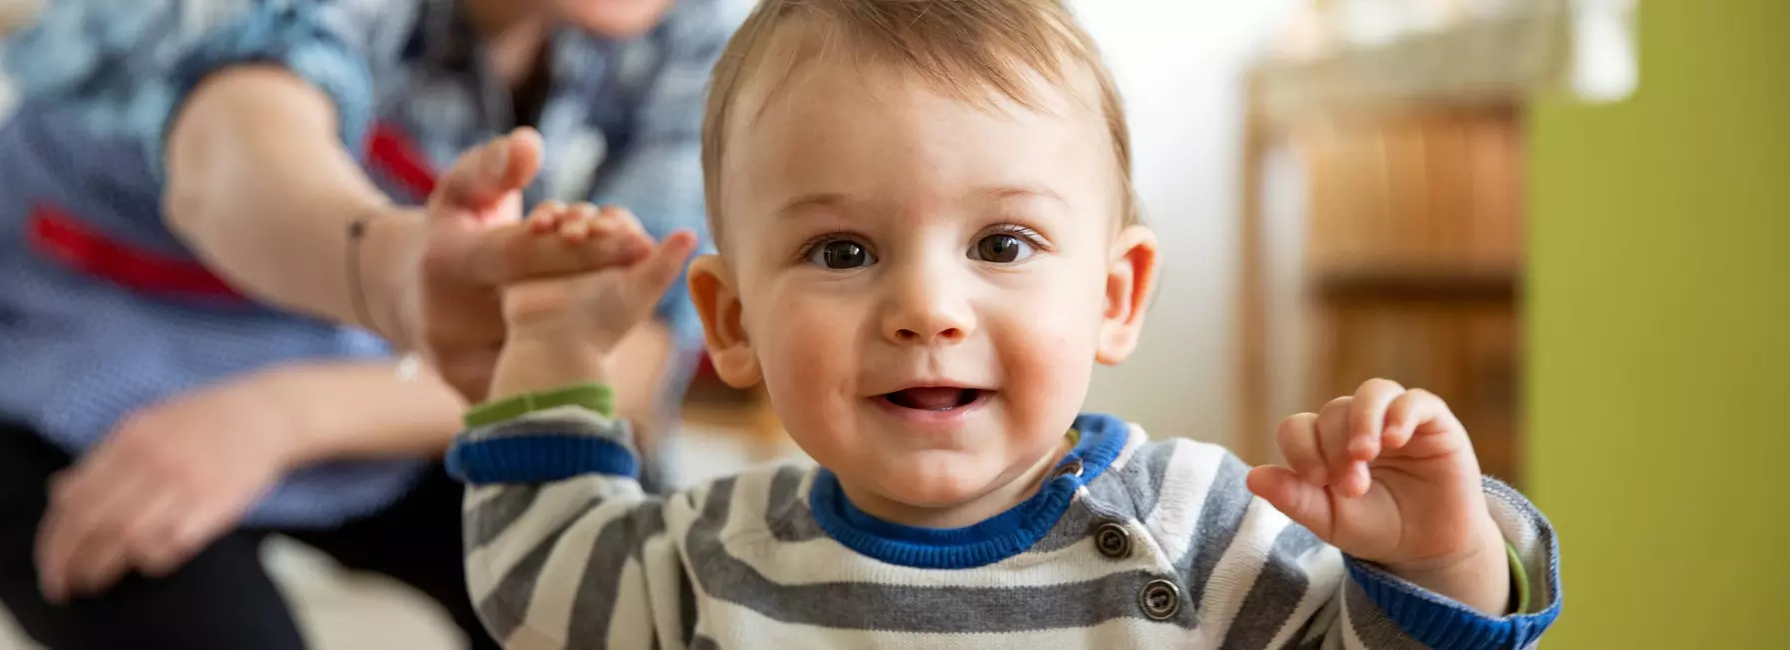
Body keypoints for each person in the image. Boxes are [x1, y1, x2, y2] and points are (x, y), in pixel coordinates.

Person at [441, 0, 1566, 647]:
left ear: (1113, 296)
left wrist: (1434, 552)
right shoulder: (713, 551)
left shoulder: (1194, 528)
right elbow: (539, 586)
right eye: (842, 252)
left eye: (1001, 244)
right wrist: (550, 342)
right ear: (732, 320)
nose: (927, 308)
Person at [0, 0, 740, 647]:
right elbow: (229, 149)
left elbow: (632, 355)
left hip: (385, 364)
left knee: (642, 613)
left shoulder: (708, 37)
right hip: (72, 348)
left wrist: (285, 414)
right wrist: (390, 272)